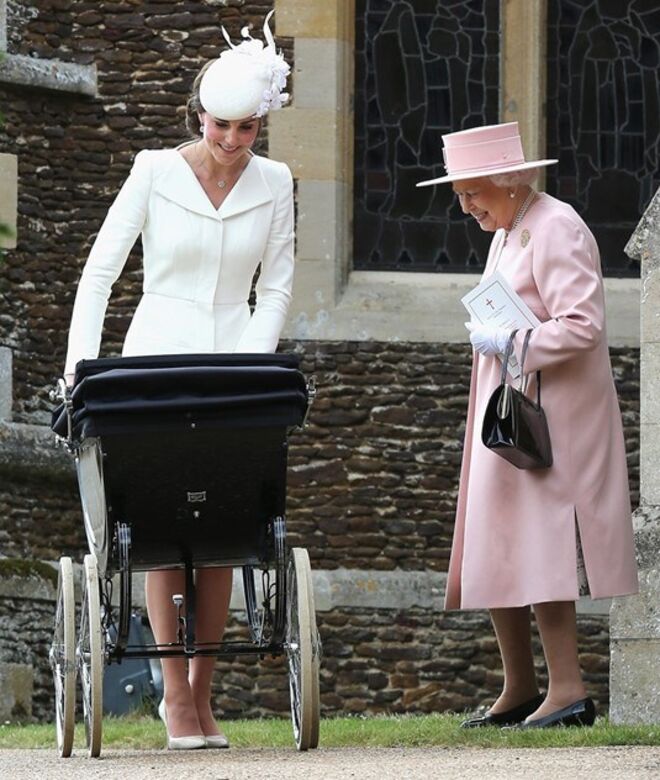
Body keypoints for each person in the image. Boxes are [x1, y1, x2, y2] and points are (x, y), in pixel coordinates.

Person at [63, 12, 294, 749]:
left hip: (236, 362)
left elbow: (280, 286)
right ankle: (172, 694)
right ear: (199, 117)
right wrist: (79, 368)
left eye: (247, 129)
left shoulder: (279, 181)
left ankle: (202, 689)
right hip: (156, 354)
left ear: (262, 125)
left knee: (223, 526)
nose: (231, 142)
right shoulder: (154, 170)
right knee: (160, 522)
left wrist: (255, 364)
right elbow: (101, 272)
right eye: (221, 125)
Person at [417, 122, 638, 728]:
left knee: (542, 546)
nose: (465, 206)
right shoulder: (510, 227)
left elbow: (584, 325)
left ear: (511, 180)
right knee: (498, 537)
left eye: (473, 192)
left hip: (554, 416)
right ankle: (518, 689)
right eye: (459, 194)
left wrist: (511, 341)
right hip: (510, 407)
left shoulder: (557, 224)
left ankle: (567, 688)